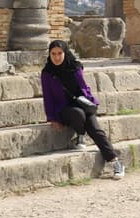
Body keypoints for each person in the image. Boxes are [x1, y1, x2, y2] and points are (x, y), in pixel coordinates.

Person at [41, 39, 125, 179]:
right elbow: (48, 97)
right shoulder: (47, 73)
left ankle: (115, 161)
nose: (56, 57)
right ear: (49, 55)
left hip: (82, 103)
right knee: (77, 113)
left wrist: (91, 104)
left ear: (65, 53)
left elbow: (84, 87)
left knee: (96, 129)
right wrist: (52, 118)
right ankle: (80, 134)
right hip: (64, 109)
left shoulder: (75, 67)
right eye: (53, 54)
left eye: (60, 53)